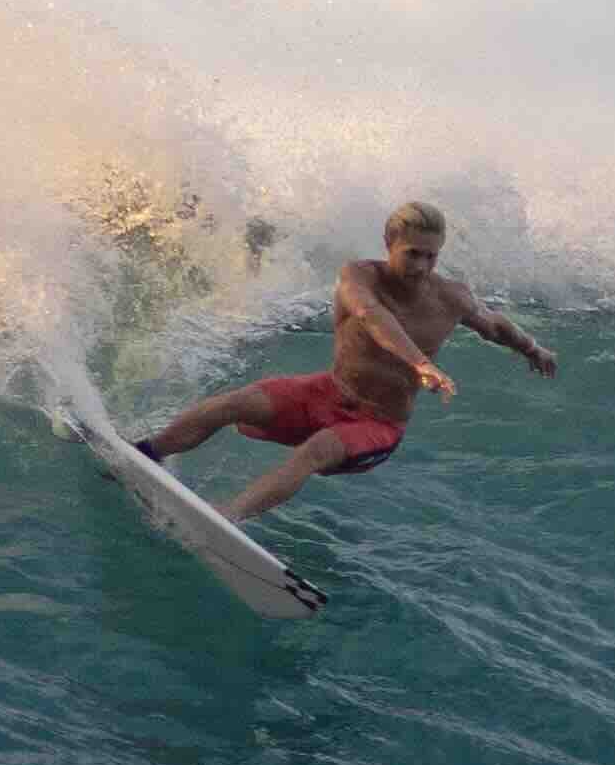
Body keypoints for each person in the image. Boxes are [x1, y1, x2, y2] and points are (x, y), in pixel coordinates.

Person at [141, 199, 555, 526]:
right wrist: (419, 363)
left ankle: (227, 518)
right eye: (413, 254)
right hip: (327, 392)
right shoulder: (357, 277)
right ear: (389, 243)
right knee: (236, 402)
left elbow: (495, 326)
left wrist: (532, 348)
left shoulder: (451, 297)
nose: (422, 267)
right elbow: (372, 317)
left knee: (318, 448)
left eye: (431, 257)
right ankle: (147, 453)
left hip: (377, 424)